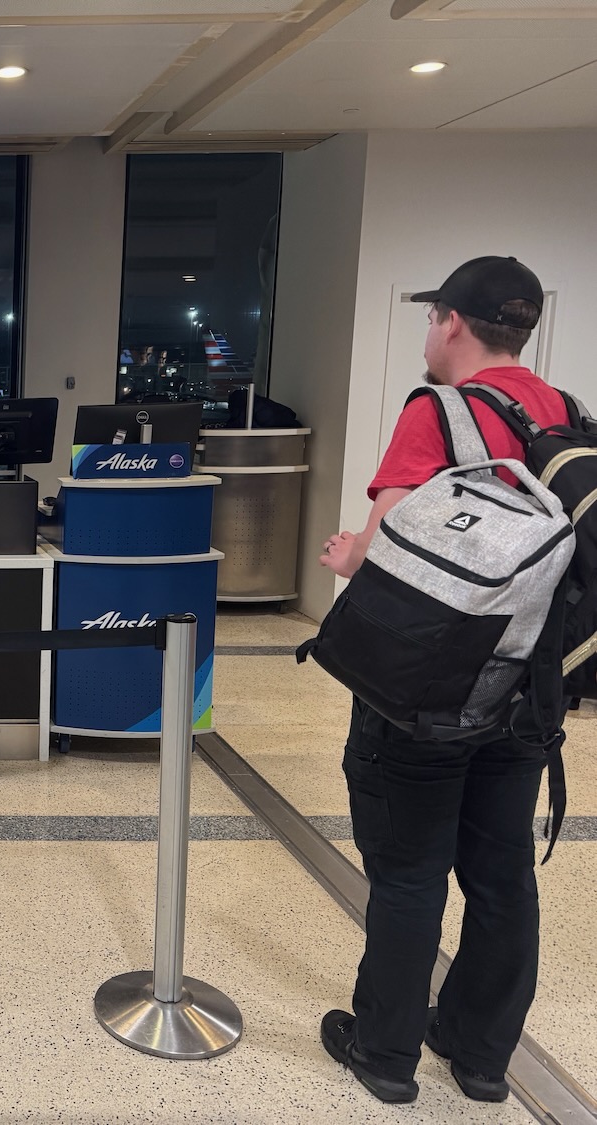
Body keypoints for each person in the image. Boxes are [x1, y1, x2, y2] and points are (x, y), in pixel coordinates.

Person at [317, 256, 562, 1105]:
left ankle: (384, 1051)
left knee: (412, 871)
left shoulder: (439, 411)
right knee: (501, 875)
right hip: (529, 688)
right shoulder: (565, 414)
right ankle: (481, 1055)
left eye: (432, 319)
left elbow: (382, 553)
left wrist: (348, 553)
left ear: (452, 323)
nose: (429, 333)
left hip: (426, 691)